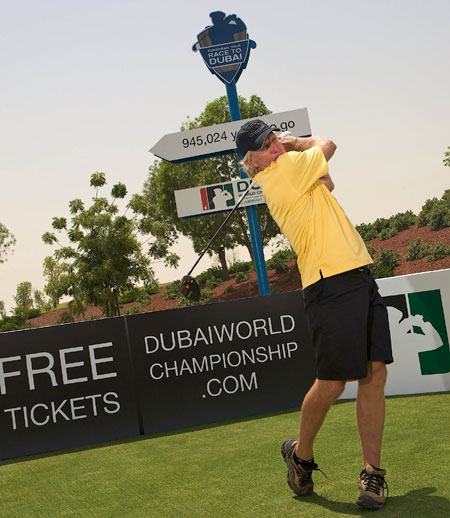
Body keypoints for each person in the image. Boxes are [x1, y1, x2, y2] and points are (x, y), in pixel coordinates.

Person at [236, 119, 393, 511]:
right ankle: (301, 456)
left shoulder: (290, 173)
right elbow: (328, 144)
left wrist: (295, 153)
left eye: (275, 139)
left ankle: (372, 474)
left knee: (374, 373)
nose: (275, 147)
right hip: (329, 284)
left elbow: (328, 184)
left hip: (357, 272)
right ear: (252, 161)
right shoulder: (282, 171)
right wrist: (296, 143)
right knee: (332, 384)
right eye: (267, 146)